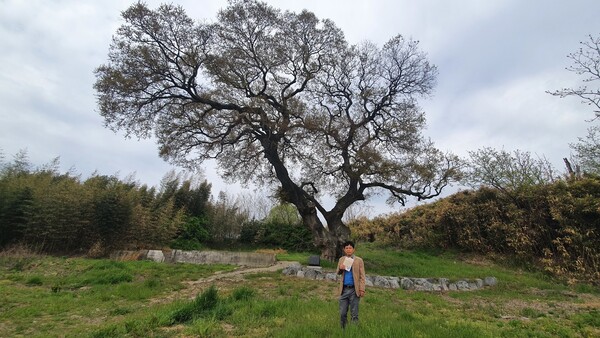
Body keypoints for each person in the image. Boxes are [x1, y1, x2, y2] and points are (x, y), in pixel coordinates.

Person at [337, 240, 366, 328]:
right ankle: (343, 330)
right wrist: (341, 268)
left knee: (354, 314)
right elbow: (338, 272)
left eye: (350, 248)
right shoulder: (341, 259)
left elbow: (362, 276)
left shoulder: (359, 260)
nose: (348, 250)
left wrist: (362, 289)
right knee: (342, 313)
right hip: (344, 289)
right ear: (344, 250)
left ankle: (354, 332)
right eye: (347, 248)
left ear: (353, 249)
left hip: (354, 290)